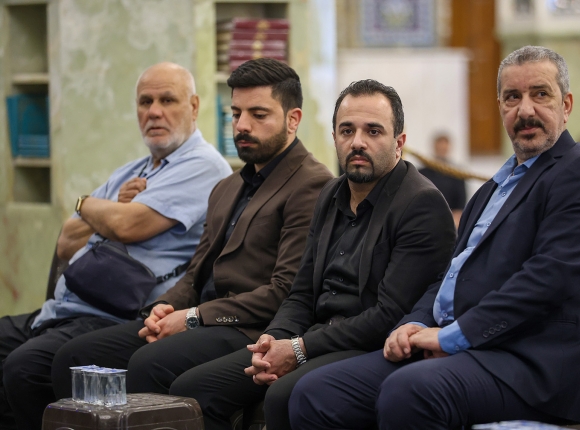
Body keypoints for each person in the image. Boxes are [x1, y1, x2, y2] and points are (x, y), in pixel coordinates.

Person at [289, 46, 580, 429]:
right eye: (512, 97)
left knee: (409, 391)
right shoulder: (490, 191)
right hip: (469, 351)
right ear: (500, 107)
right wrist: (414, 324)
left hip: (535, 365)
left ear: (566, 105)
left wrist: (454, 336)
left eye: (540, 94)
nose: (525, 109)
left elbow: (549, 278)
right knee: (315, 393)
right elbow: (450, 276)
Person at [156, 79, 457, 430]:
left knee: (283, 394)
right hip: (316, 335)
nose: (358, 142)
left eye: (373, 131)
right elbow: (300, 292)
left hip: (371, 345)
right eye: (347, 130)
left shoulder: (421, 203)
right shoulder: (331, 194)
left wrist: (298, 348)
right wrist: (274, 337)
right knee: (194, 389)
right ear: (334, 137)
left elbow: (389, 315)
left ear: (399, 142)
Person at [50, 58, 333, 411]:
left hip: (250, 327)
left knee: (149, 364)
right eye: (236, 114)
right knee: (74, 356)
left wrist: (192, 316)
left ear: (293, 119)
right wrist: (163, 307)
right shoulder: (228, 186)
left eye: (258, 115)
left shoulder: (311, 184)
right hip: (203, 320)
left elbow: (284, 291)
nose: (242, 125)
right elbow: (195, 274)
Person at [0, 62, 232, 430]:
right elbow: (66, 241)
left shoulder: (204, 165)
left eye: (167, 100)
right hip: (64, 308)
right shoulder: (130, 171)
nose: (154, 112)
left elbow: (127, 226)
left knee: (25, 367)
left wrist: (89, 205)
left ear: (193, 107)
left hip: (115, 313)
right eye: (145, 102)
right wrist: (114, 207)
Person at [418, 134, 467, 227]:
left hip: (450, 220)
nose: (442, 150)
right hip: (426, 218)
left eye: (444, 148)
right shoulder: (422, 173)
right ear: (434, 147)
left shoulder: (457, 173)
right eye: (439, 147)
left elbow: (460, 204)